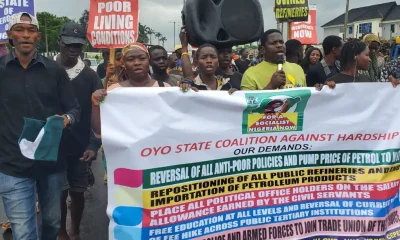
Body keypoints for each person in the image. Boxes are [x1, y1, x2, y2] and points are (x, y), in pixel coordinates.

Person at [0, 12, 80, 240]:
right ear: (9, 36)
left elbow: (75, 109)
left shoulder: (54, 71)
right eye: (19, 30)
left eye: (31, 31)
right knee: (23, 231)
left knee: (53, 223)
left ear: (38, 36)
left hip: (50, 164)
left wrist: (67, 119)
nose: (25, 35)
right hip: (11, 165)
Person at [56, 22, 102, 240]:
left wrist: (94, 145)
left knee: (78, 191)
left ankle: (74, 231)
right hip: (52, 146)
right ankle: (61, 231)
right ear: (59, 42)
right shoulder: (47, 70)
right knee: (58, 193)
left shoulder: (90, 76)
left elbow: (97, 112)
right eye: (69, 44)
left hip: (81, 146)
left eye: (78, 45)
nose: (73, 49)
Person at [91, 43, 172, 135]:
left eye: (142, 58)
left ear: (148, 61)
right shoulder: (113, 91)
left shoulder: (165, 88)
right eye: (130, 59)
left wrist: (187, 92)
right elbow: (99, 130)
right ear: (123, 63)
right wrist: (95, 104)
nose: (137, 63)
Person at [241, 29, 306, 90]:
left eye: (281, 42)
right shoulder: (250, 74)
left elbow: (306, 97)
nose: (279, 45)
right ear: (262, 50)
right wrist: (271, 86)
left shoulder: (298, 69)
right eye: (274, 43)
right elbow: (248, 101)